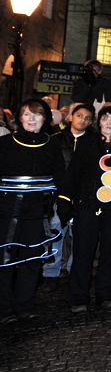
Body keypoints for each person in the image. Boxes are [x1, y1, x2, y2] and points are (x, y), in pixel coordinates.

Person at [61, 106, 111, 312]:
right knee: (82, 253)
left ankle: (107, 294)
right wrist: (66, 201)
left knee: (109, 253)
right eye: (104, 118)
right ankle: (78, 297)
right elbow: (74, 174)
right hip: (87, 207)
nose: (108, 123)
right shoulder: (87, 144)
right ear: (99, 122)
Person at [0, 100, 66, 324]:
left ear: (45, 119)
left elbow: (60, 178)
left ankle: (25, 305)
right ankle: (4, 308)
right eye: (27, 114)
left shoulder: (52, 145)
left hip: (38, 211)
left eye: (36, 115)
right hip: (6, 211)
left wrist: (65, 203)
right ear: (19, 117)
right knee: (5, 260)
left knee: (31, 260)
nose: (31, 119)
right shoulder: (4, 143)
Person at [42, 104, 94, 292]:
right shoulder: (55, 140)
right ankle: (50, 273)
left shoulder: (93, 142)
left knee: (79, 237)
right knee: (55, 234)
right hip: (58, 195)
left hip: (82, 197)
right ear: (70, 117)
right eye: (79, 115)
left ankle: (74, 272)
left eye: (87, 117)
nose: (83, 120)